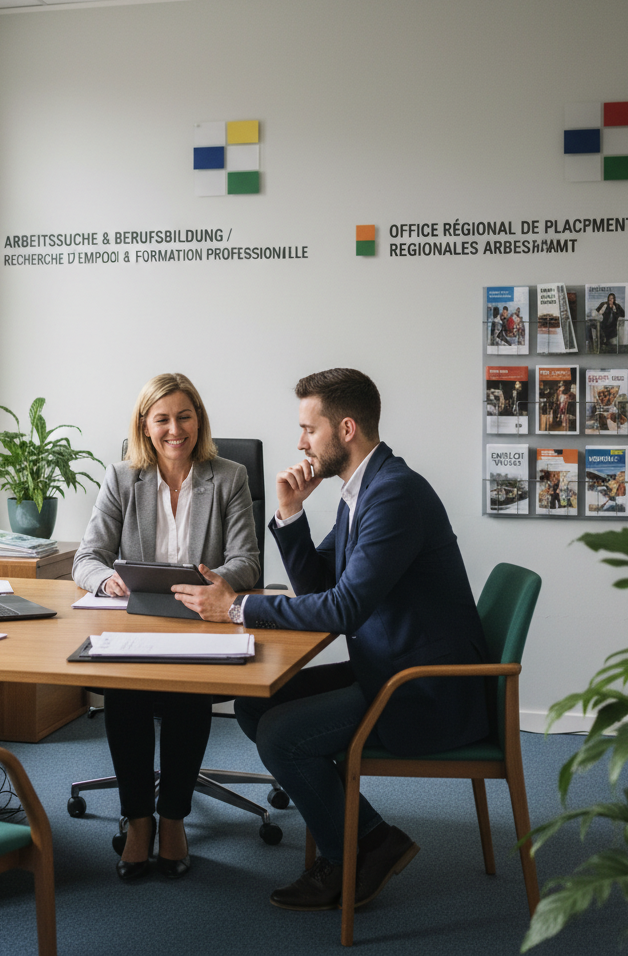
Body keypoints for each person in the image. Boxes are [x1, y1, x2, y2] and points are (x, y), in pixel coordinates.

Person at [171, 368, 488, 911]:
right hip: (390, 662)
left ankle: (356, 854)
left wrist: (238, 608)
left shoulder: (393, 495)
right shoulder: (360, 489)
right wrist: (292, 513)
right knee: (255, 703)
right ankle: (368, 836)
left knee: (280, 736)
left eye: (307, 429)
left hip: (425, 687)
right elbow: (321, 585)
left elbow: (343, 610)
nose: (300, 442)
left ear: (345, 429)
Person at [71, 373, 259, 882]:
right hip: (136, 616)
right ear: (145, 427)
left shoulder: (230, 477)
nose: (175, 429)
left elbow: (248, 560)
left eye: (184, 416)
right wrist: (109, 580)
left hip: (201, 620)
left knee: (186, 692)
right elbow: (86, 557)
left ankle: (172, 817)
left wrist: (215, 582)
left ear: (198, 420)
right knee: (125, 692)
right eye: (163, 419)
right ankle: (138, 820)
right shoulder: (121, 479)